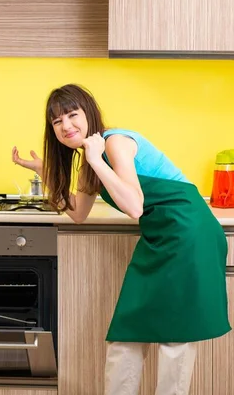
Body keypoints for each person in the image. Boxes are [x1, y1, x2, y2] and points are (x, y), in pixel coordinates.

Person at [12, 84, 230, 395]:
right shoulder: (90, 159)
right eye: (57, 121)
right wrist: (46, 172)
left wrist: (97, 160)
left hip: (188, 232)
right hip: (160, 235)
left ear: (89, 115)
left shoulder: (115, 143)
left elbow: (134, 205)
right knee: (127, 332)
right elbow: (78, 213)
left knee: (177, 336)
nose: (66, 126)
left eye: (72, 115)